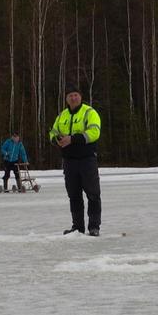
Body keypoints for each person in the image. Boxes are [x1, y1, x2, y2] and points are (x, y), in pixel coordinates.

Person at [48, 84, 103, 236]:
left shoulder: (89, 112)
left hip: (87, 160)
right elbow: (52, 132)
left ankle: (94, 227)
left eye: (76, 95)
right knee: (74, 195)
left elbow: (94, 132)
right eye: (70, 95)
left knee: (93, 194)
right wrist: (57, 139)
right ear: (66, 98)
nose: (73, 98)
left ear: (80, 97)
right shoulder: (62, 115)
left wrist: (73, 139)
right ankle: (77, 227)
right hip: (69, 161)